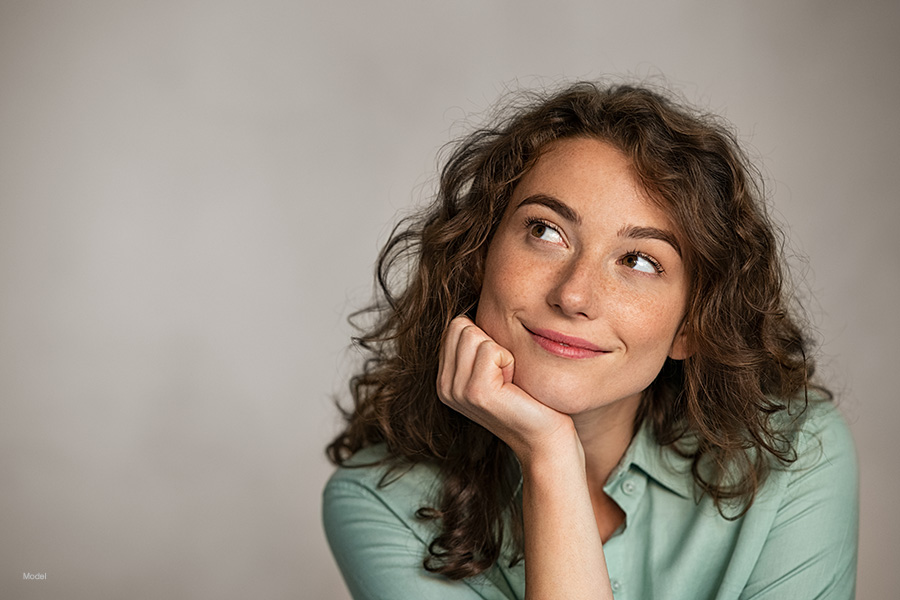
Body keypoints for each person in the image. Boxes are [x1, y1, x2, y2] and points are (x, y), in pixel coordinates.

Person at [322, 81, 858, 600]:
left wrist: (548, 455)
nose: (575, 295)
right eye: (546, 231)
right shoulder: (378, 501)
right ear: (476, 257)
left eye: (640, 261)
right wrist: (551, 455)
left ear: (694, 325)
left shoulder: (798, 454)